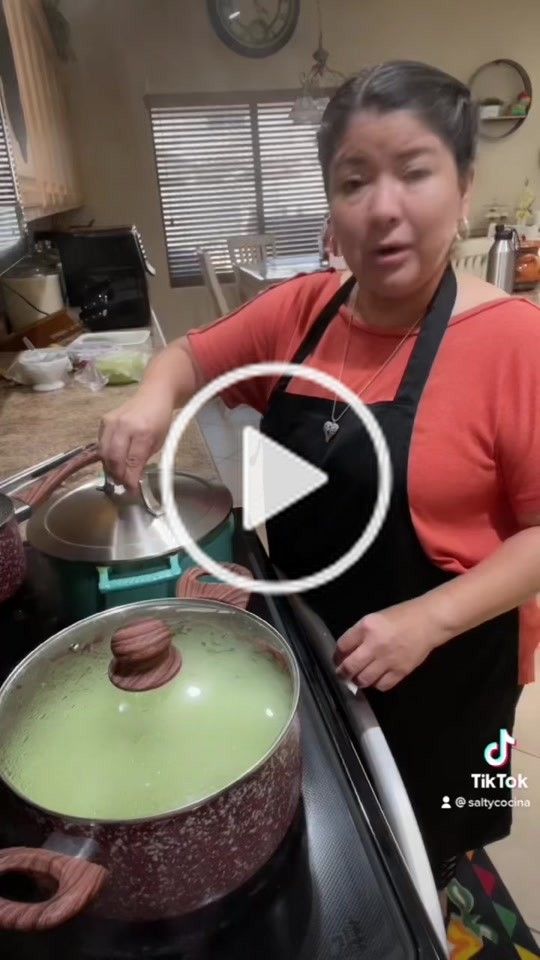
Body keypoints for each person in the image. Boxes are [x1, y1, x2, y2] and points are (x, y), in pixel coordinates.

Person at [99, 61, 540, 916]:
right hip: (306, 652)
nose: (384, 206)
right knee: (333, 842)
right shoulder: (300, 312)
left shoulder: (515, 343)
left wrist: (428, 619)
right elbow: (188, 357)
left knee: (434, 846)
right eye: (353, 180)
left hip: (449, 674)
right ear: (330, 202)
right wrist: (152, 400)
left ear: (464, 182)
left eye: (414, 171)